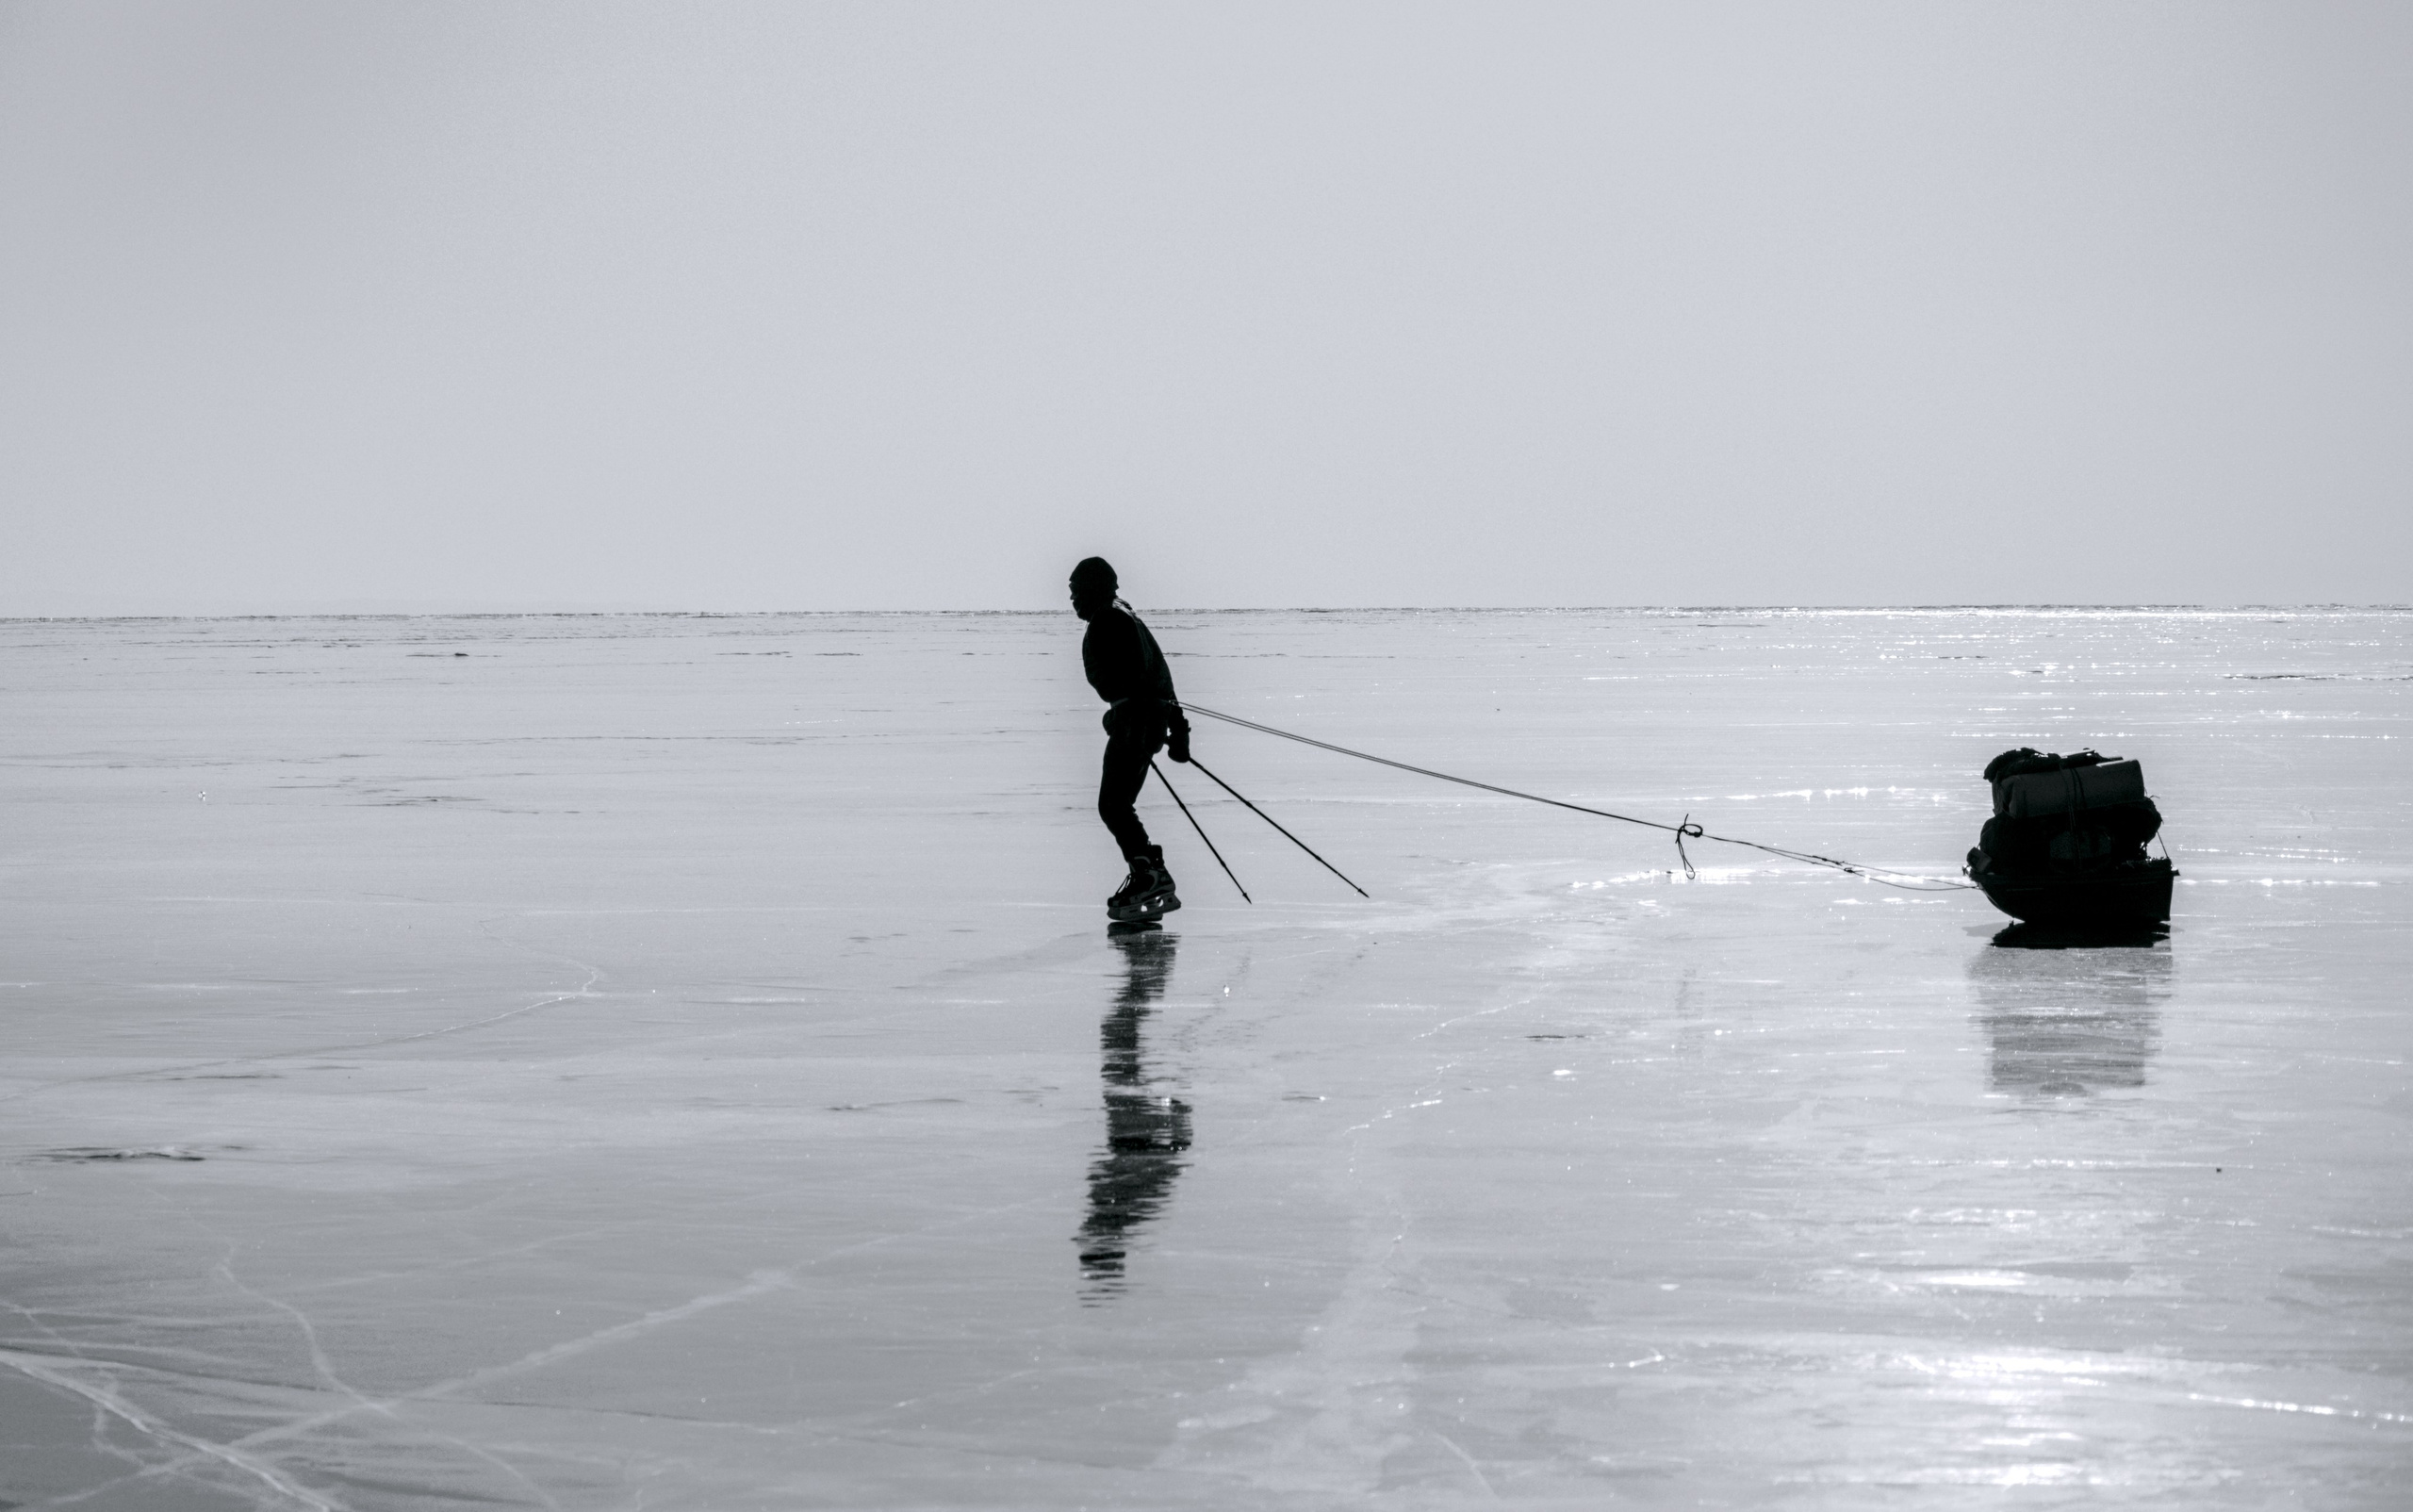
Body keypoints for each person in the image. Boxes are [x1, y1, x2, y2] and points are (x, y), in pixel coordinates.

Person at [1069, 557, 1192, 921]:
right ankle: (1150, 873)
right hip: (1143, 721)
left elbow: (1141, 684)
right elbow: (1160, 676)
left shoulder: (1110, 619)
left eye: (1077, 591)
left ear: (1097, 589)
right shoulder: (1123, 615)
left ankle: (1150, 876)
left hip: (1136, 724)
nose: (1073, 599)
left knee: (1113, 805)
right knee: (1118, 804)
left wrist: (1126, 716)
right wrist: (1177, 728)